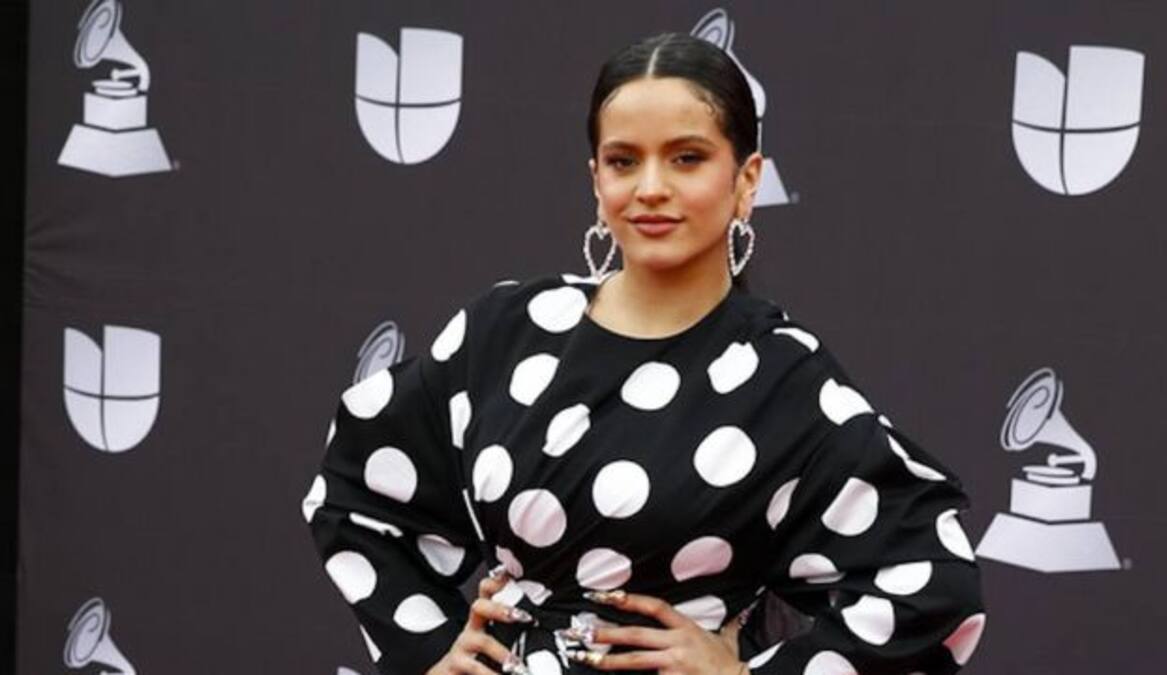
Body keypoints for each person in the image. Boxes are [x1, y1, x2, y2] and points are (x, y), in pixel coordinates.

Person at [301, 32, 985, 675]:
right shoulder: (503, 331)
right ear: (596, 180)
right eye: (624, 160)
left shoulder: (783, 378)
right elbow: (356, 494)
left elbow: (931, 584)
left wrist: (747, 673)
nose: (650, 187)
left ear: (746, 180)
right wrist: (430, 651)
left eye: (687, 158)